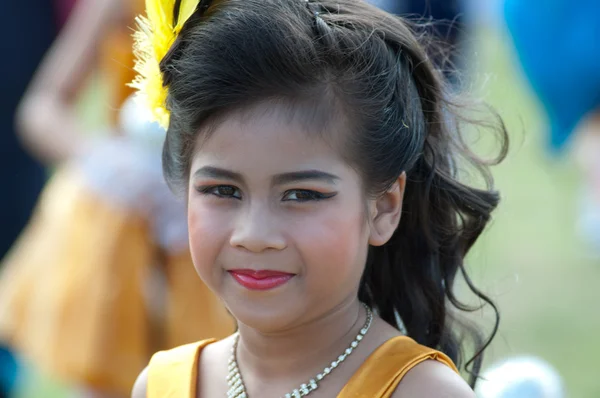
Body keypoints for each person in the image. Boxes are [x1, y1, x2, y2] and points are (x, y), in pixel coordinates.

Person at [130, 0, 508, 396]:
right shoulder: (161, 386)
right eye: (223, 191)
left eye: (300, 195)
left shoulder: (421, 392)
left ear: (383, 207)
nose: (255, 235)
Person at [0, 0, 233, 397]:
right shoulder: (119, 5)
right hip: (121, 230)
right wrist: (103, 161)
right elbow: (41, 108)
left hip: (215, 232)